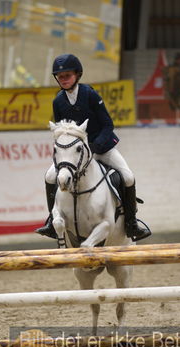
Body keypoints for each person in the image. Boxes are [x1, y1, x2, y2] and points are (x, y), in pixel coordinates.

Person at [36, 53, 151, 242]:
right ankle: (51, 221)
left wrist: (95, 146)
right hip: (74, 155)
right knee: (50, 176)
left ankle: (132, 223)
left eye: (67, 75)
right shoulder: (58, 101)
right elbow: (61, 131)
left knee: (128, 177)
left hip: (100, 147)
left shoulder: (89, 94)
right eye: (60, 77)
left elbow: (108, 124)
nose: (63, 80)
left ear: (77, 75)